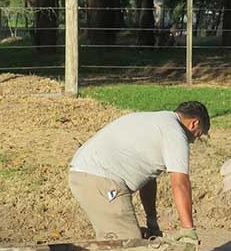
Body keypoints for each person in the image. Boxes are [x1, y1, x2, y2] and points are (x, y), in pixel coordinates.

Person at [69, 101, 210, 241]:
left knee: (120, 243)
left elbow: (148, 178)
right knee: (128, 246)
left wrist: (151, 220)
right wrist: (188, 229)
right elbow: (180, 183)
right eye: (198, 135)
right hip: (100, 178)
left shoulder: (159, 121)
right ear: (194, 123)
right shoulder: (175, 133)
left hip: (86, 174)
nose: (193, 141)